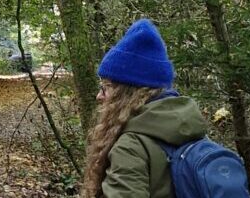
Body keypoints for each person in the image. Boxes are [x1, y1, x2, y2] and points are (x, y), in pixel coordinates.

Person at [83, 19, 209, 198]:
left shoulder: (131, 146)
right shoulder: (193, 130)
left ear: (127, 92)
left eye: (106, 86)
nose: (99, 95)